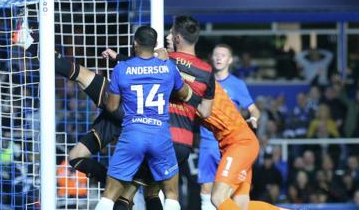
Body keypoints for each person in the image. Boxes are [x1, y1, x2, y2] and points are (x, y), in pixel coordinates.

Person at [12, 16, 214, 210]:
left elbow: (138, 69)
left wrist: (121, 60)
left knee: (82, 75)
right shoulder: (192, 68)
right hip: (157, 131)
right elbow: (195, 102)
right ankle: (29, 43)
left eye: (170, 34)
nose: (168, 38)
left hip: (129, 114)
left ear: (178, 38)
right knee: (143, 189)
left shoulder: (165, 59)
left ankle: (29, 44)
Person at [95, 26, 191, 210]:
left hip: (133, 135)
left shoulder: (122, 69)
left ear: (135, 43)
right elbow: (184, 93)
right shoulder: (167, 67)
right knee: (171, 194)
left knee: (109, 196)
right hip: (159, 136)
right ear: (155, 44)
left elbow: (112, 106)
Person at [198, 43, 261, 210]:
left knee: (228, 197)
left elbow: (254, 110)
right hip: (208, 142)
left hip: (234, 141)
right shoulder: (203, 80)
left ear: (230, 60)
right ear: (211, 58)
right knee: (207, 190)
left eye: (223, 55)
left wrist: (253, 118)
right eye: (216, 54)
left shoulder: (237, 84)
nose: (218, 58)